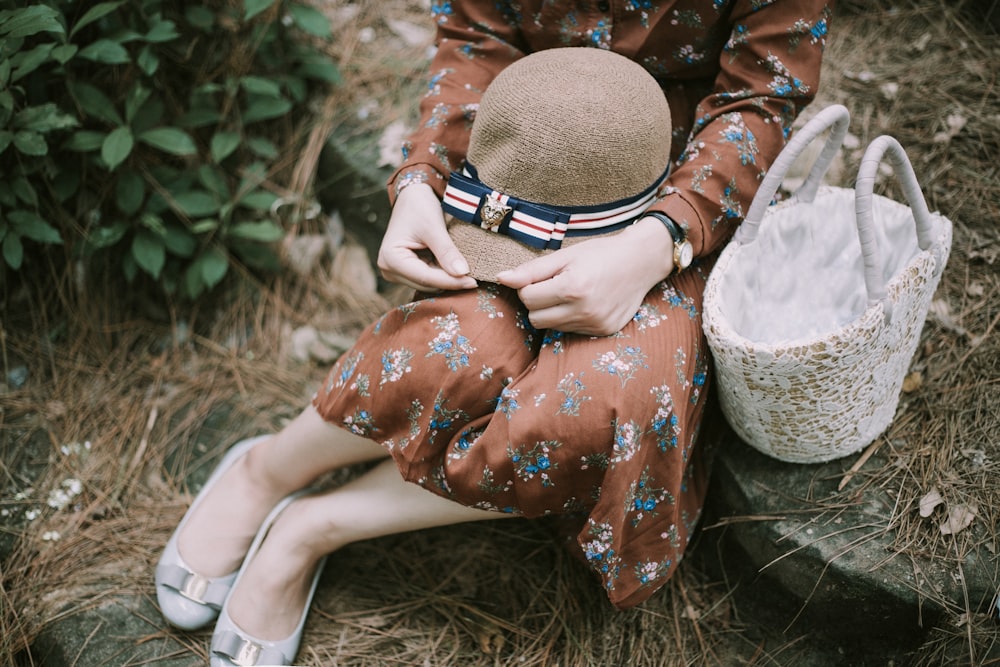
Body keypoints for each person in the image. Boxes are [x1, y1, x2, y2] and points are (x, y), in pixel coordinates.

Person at [155, 2, 833, 665]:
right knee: (458, 345)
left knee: (606, 407)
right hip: (525, 161)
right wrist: (425, 175)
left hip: (676, 182)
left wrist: (663, 237)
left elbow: (763, 90)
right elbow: (476, 35)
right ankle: (267, 467)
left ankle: (315, 526)